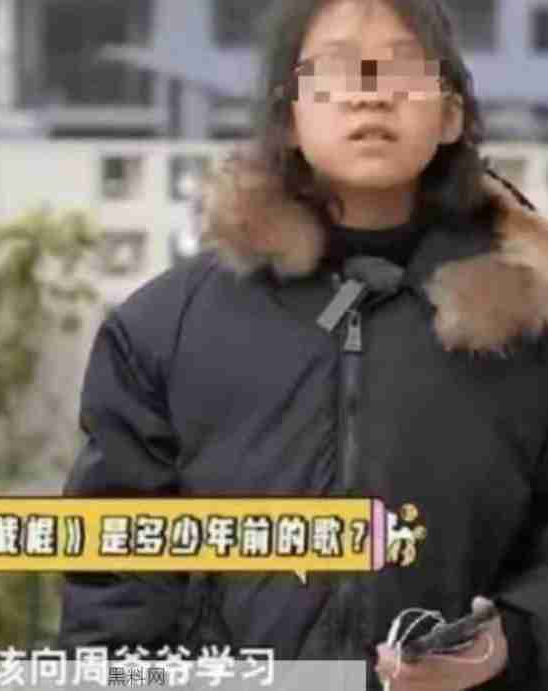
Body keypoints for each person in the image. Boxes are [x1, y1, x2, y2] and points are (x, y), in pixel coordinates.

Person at [57, 1, 548, 689]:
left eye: (402, 66)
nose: (370, 92)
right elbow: (114, 590)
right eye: (339, 67)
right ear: (287, 114)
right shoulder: (165, 329)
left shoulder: (528, 323)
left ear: (450, 114)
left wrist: (509, 643)